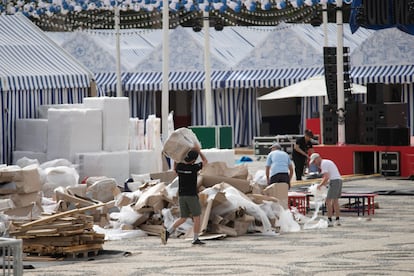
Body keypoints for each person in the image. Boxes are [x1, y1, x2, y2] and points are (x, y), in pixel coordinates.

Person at [161, 146, 208, 245]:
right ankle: (195, 239)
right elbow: (205, 161)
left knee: (183, 217)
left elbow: (174, 167)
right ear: (194, 160)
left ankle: (167, 232)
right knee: (197, 217)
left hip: (182, 196)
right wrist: (199, 151)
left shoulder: (180, 167)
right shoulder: (194, 168)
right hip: (191, 196)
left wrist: (180, 154)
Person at [309, 153, 342, 227]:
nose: (315, 164)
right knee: (335, 200)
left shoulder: (323, 164)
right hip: (339, 180)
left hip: (334, 181)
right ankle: (337, 219)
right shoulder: (327, 162)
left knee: (328, 200)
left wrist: (320, 185)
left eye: (314, 162)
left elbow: (326, 177)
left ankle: (330, 220)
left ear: (318, 159)